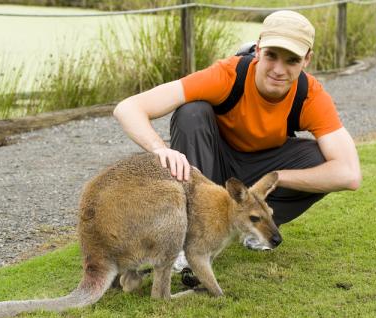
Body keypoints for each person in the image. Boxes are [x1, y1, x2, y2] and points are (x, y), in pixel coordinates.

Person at [113, 10, 361, 281]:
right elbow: (128, 108)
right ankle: (188, 236)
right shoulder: (227, 75)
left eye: (292, 60)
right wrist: (160, 148)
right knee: (192, 113)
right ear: (257, 50)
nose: (279, 70)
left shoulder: (310, 94)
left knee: (320, 158)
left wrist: (267, 183)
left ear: (307, 60)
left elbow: (349, 174)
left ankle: (256, 228)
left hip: (259, 171)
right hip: (211, 171)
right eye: (271, 56)